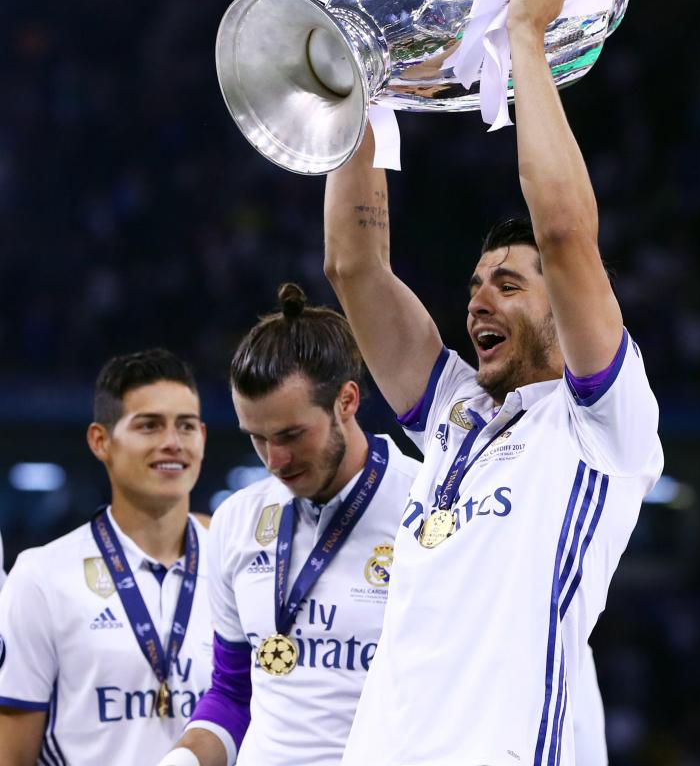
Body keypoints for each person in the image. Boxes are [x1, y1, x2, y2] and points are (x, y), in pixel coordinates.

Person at [323, 0, 663, 766]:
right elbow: (354, 267)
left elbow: (563, 234)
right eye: (475, 285)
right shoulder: (455, 414)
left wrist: (527, 41)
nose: (478, 300)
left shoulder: (600, 425)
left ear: (567, 303)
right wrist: (356, 87)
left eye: (507, 285)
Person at [159, 283, 420, 766]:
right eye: (257, 438)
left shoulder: (425, 510)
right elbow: (234, 695)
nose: (275, 461)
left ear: (347, 400)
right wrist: (183, 760)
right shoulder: (237, 521)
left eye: (291, 435)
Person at [0, 348, 212, 765]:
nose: (172, 442)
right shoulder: (42, 577)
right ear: (101, 441)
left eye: (185, 426)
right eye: (149, 425)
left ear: (203, 437)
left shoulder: (238, 570)